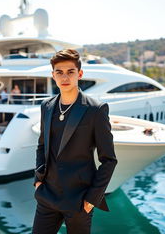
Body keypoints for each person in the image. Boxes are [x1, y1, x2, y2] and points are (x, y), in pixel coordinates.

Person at [32, 49, 117, 234]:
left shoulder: (96, 110)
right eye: (59, 72)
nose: (65, 77)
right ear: (53, 75)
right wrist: (38, 181)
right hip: (47, 196)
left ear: (79, 74)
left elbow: (109, 159)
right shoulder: (46, 106)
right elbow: (41, 145)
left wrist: (92, 199)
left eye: (70, 72)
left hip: (79, 201)